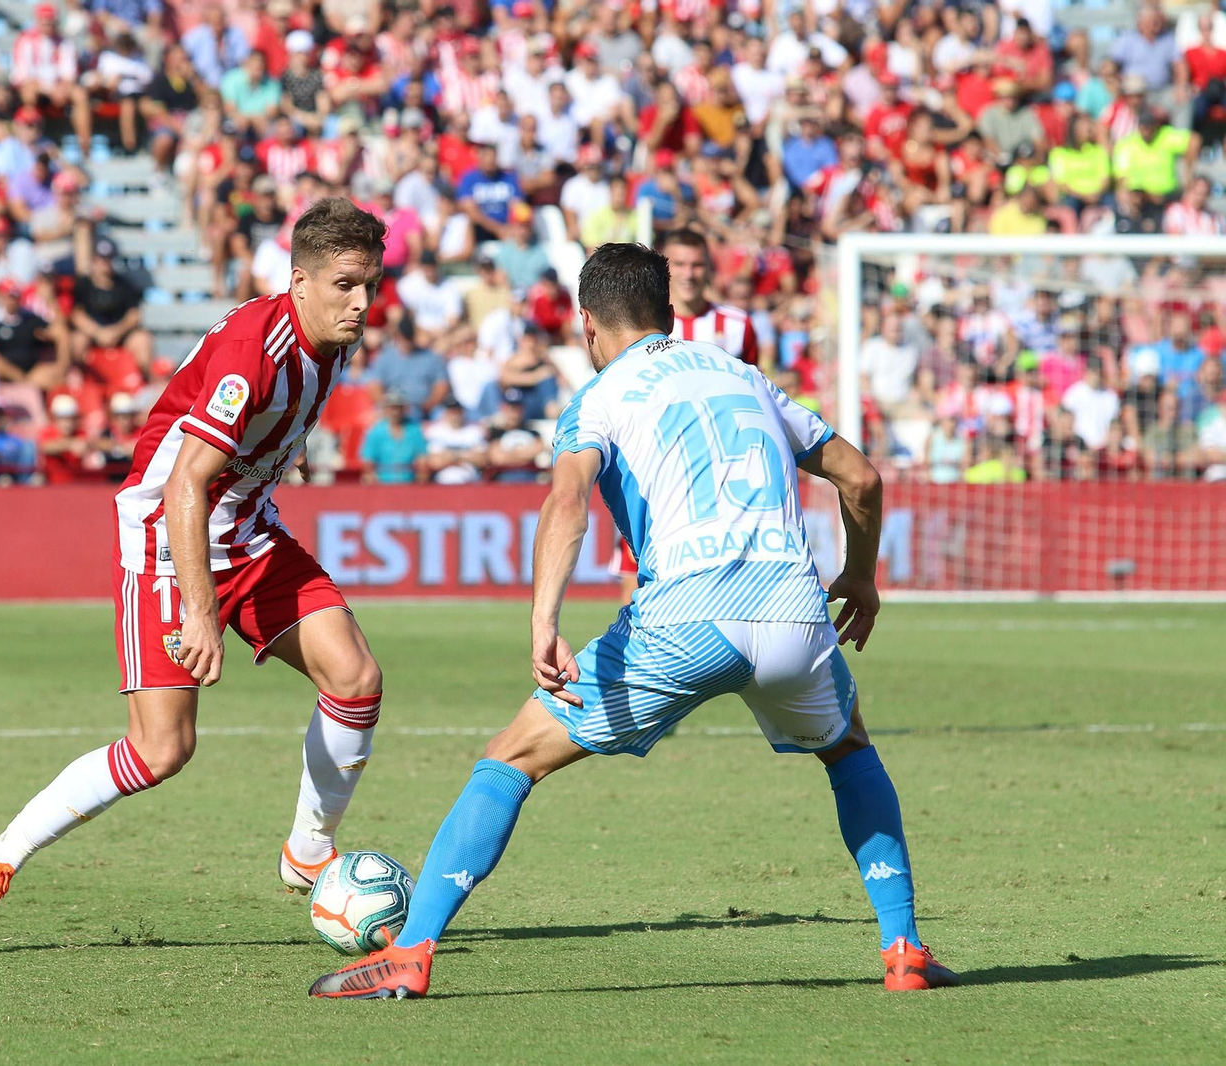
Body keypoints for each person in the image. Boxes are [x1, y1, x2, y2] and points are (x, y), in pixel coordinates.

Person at [310, 242, 956, 999]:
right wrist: (862, 576)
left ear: (587, 325)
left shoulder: (600, 398)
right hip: (793, 611)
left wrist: (542, 620)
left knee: (513, 755)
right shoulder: (741, 373)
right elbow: (861, 477)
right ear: (671, 312)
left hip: (686, 613)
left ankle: (411, 952)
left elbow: (567, 502)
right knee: (848, 751)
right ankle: (903, 948)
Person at [0, 199, 392, 930]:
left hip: (246, 527)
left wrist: (284, 453)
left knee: (355, 678)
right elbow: (185, 483)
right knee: (161, 749)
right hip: (167, 536)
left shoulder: (331, 335)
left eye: (370, 284)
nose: (362, 302)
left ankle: (309, 852)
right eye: (347, 284)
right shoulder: (256, 352)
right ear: (300, 281)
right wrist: (200, 610)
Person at [659, 229, 759, 365]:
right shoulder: (645, 325)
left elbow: (752, 382)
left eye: (697, 265)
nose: (689, 274)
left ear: (709, 268)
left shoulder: (738, 325)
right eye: (679, 264)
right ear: (664, 269)